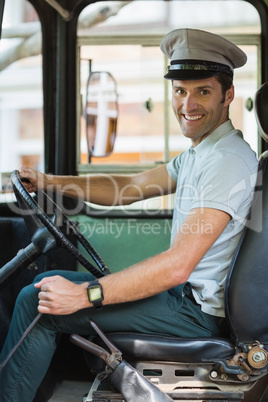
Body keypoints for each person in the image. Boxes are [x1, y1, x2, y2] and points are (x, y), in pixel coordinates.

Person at [0, 28, 258, 401]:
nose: (188, 104)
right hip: (181, 299)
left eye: (203, 91)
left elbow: (177, 266)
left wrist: (85, 295)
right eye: (180, 91)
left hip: (194, 312)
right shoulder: (202, 153)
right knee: (48, 282)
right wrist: (48, 181)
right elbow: (133, 186)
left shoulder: (226, 162)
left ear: (228, 95)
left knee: (36, 303)